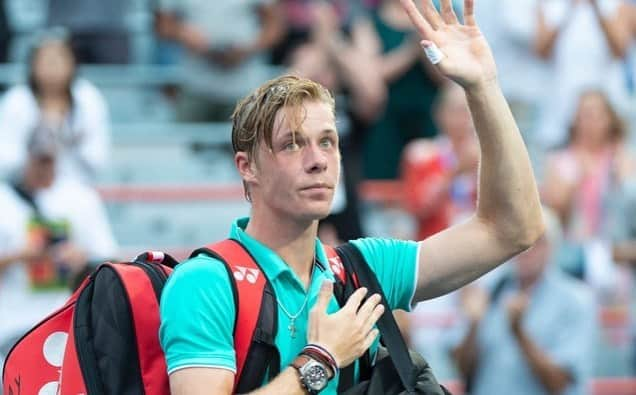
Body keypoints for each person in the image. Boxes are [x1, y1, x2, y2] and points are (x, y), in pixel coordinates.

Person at [159, 1, 544, 393]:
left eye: (328, 142)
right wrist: (321, 359)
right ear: (247, 166)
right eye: (292, 144)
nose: (317, 161)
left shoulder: (363, 267)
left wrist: (483, 86)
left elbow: (512, 229)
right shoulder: (205, 282)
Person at [0, 127, 118, 370]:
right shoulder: (4, 201)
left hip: (63, 319)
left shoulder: (80, 199)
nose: (43, 167)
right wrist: (18, 256)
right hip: (11, 323)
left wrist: (80, 260)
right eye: (38, 158)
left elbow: (109, 262)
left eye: (48, 159)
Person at [451, 208, 597, 395]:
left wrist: (519, 332)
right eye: (519, 240)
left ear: (552, 247)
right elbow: (462, 371)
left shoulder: (577, 300)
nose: (526, 250)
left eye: (536, 241)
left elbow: (560, 383)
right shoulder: (490, 290)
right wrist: (473, 325)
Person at [0, 33, 111, 184]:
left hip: (75, 184)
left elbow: (97, 157)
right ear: (33, 65)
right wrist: (33, 162)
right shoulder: (17, 100)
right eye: (45, 60)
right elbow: (6, 157)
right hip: (22, 189)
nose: (52, 66)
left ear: (72, 63)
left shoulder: (88, 99)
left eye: (58, 59)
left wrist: (65, 143)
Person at [154, 0, 285, 122]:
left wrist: (248, 49)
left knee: (249, 143)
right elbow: (162, 24)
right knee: (183, 141)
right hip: (195, 86)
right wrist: (184, 34)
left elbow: (275, 24)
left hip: (245, 89)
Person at [534, 0, 632, 149]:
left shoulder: (619, 5)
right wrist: (568, 8)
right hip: (560, 106)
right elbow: (541, 51)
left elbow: (621, 49)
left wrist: (596, 7)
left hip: (604, 109)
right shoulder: (548, 5)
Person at [401, 82, 479, 240]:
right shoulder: (421, 154)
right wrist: (455, 171)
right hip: (436, 245)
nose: (464, 118)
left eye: (469, 110)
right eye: (458, 110)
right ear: (440, 114)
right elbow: (419, 206)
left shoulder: (484, 156)